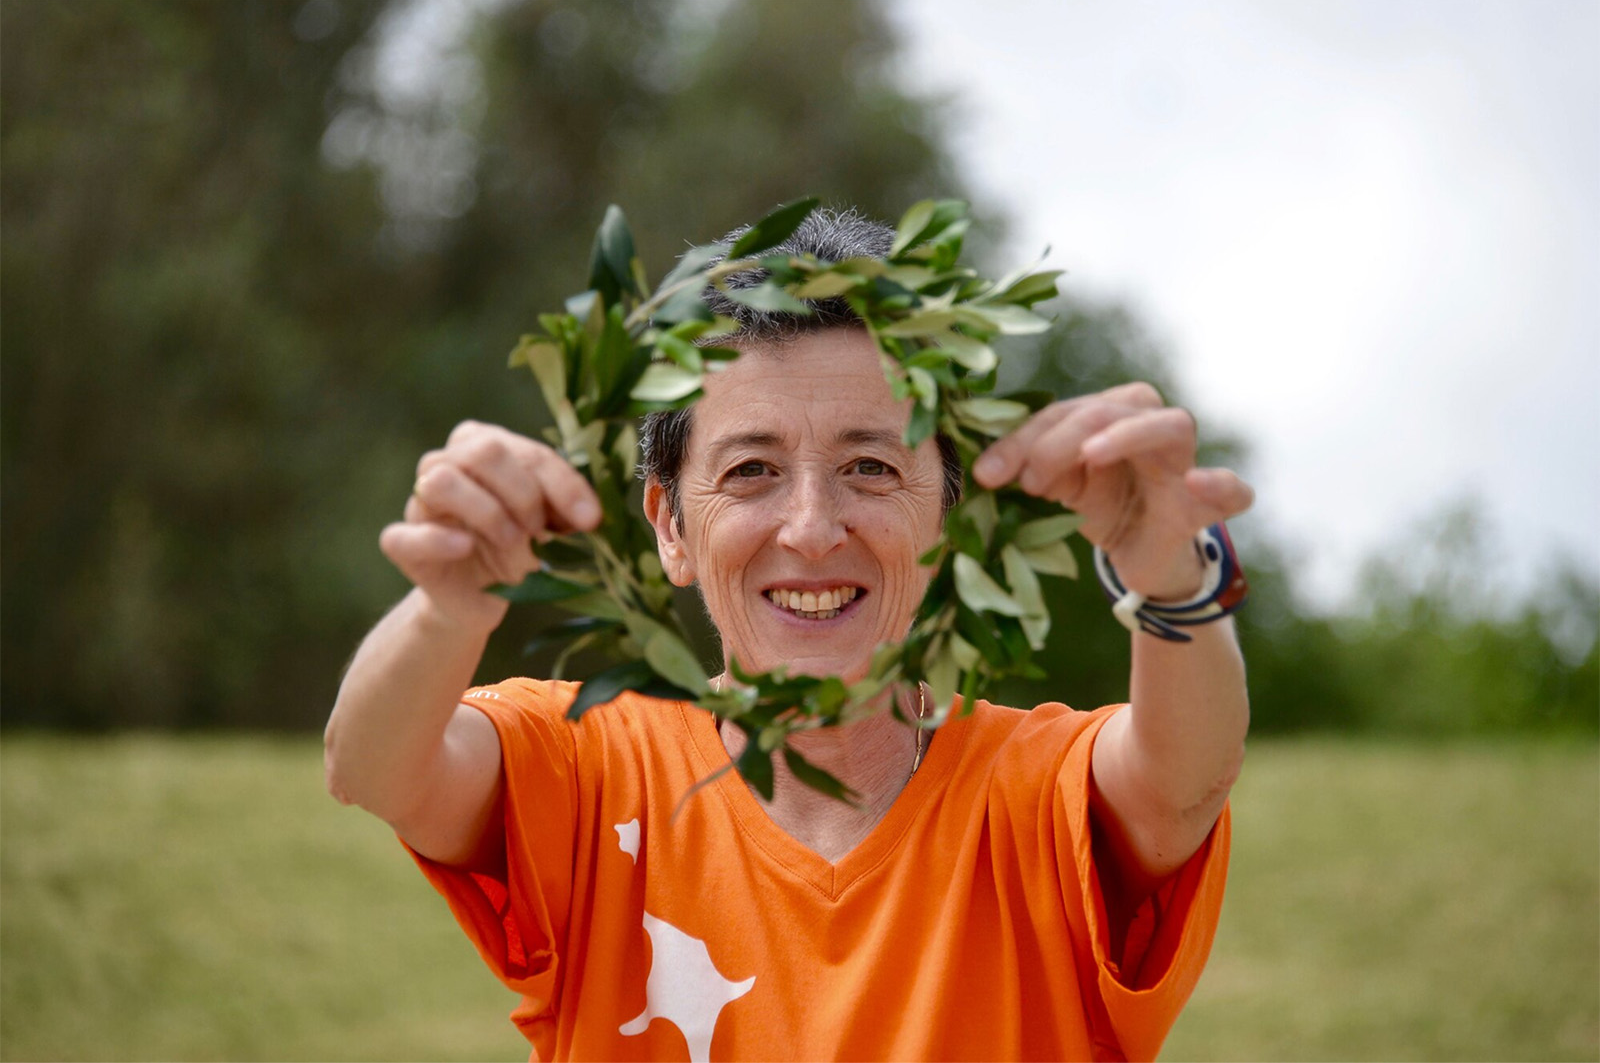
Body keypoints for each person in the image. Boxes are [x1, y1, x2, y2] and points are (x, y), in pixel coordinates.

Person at [324, 211, 1254, 1062]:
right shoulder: (588, 774)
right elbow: (375, 766)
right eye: (752, 470)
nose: (811, 528)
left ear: (947, 520)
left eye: (870, 466)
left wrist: (1172, 583)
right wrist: (448, 610)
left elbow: (1185, 782)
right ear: (671, 526)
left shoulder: (1038, 800)